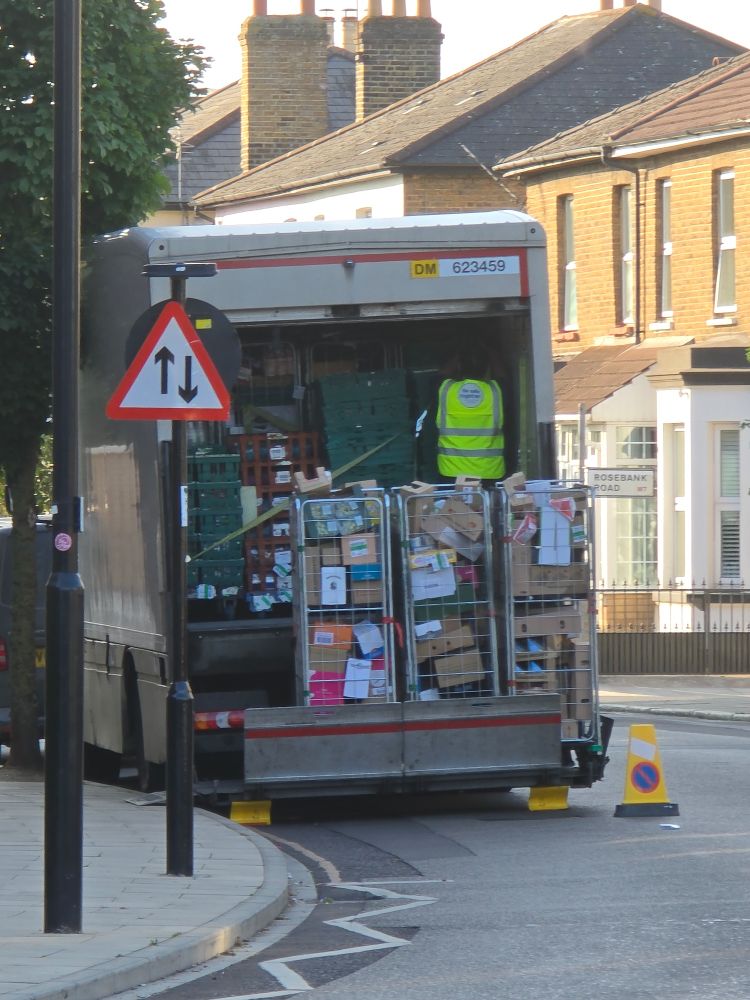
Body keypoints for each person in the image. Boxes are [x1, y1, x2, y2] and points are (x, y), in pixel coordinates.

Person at [435, 346, 505, 481]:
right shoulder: (496, 391)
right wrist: (491, 351)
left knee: (453, 503)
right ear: (487, 368)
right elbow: (502, 375)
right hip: (488, 472)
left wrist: (459, 353)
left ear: (459, 366)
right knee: (487, 503)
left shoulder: (445, 389)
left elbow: (441, 374)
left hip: (451, 472)